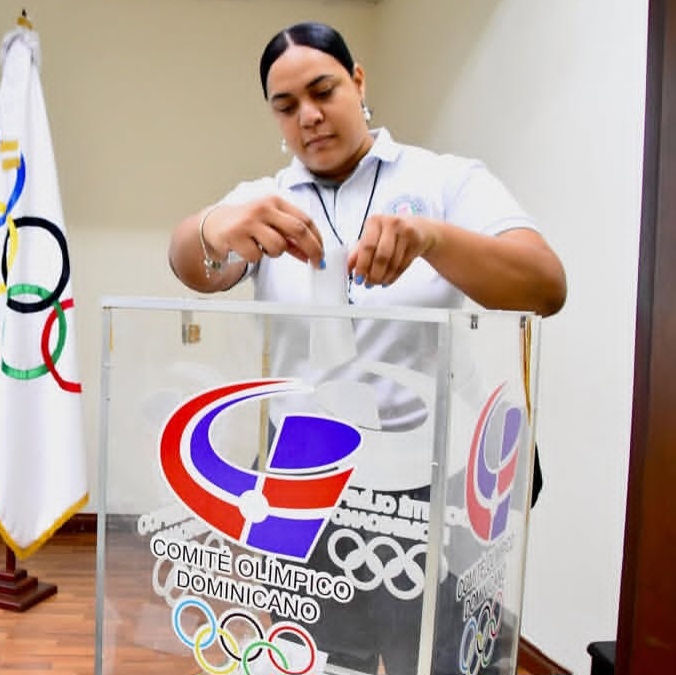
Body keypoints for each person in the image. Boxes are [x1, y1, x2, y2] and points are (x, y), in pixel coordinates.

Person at [167, 21, 566, 675]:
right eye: (286, 105)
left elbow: (545, 285)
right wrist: (213, 226)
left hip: (429, 480)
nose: (309, 116)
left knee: (432, 659)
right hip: (305, 479)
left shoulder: (445, 181)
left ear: (358, 80)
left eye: (323, 90)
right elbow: (191, 264)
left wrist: (433, 240)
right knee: (319, 661)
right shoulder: (264, 200)